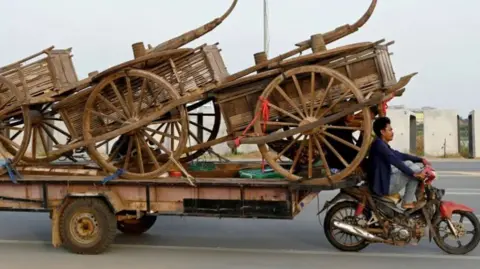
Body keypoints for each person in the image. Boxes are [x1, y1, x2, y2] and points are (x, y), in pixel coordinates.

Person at [367, 116, 430, 209]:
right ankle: (407, 202)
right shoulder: (379, 145)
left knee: (409, 163)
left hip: (384, 179)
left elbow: (399, 155)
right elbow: (394, 160)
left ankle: (411, 198)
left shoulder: (381, 144)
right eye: (390, 130)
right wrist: (413, 174)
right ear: (382, 132)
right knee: (415, 170)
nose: (392, 132)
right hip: (382, 186)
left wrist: (420, 159)